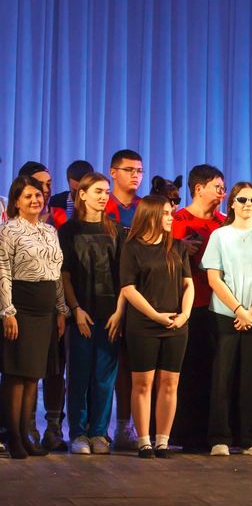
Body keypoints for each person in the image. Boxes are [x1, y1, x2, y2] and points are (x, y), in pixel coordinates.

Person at [202, 182, 252, 456]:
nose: (248, 204)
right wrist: (239, 310)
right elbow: (214, 278)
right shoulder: (219, 236)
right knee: (222, 377)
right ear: (232, 203)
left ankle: (250, 439)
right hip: (225, 314)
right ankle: (219, 437)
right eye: (243, 199)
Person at [120, 196, 194, 458]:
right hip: (143, 324)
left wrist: (185, 315)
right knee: (143, 383)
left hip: (175, 324)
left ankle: (162, 440)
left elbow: (188, 284)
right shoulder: (132, 248)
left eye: (170, 213)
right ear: (150, 215)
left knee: (170, 382)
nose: (170, 217)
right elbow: (128, 288)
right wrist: (155, 315)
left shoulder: (177, 247)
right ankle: (144, 441)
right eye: (165, 213)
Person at [0, 176, 68, 459]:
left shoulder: (50, 230)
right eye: (28, 196)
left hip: (45, 310)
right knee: (16, 374)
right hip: (21, 307)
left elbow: (56, 273)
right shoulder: (9, 230)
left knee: (33, 376)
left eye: (38, 195)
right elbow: (3, 271)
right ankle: (13, 437)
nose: (35, 200)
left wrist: (61, 309)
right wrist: (7, 312)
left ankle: (27, 435)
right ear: (16, 201)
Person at [58, 172, 126, 455]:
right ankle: (78, 433)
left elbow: (125, 278)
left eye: (106, 191)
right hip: (81, 313)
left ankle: (99, 432)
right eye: (98, 191)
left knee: (104, 377)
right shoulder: (68, 231)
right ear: (82, 194)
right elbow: (65, 274)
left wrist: (119, 313)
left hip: (110, 314)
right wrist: (75, 309)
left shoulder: (116, 230)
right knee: (79, 375)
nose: (103, 196)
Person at [169, 164, 226, 451]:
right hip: (187, 306)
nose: (222, 193)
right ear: (198, 188)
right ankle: (183, 433)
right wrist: (179, 247)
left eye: (224, 188)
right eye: (217, 187)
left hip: (220, 306)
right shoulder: (177, 221)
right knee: (187, 372)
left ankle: (213, 433)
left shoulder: (225, 223)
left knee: (215, 373)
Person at [107, 149, 145, 450]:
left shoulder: (145, 209)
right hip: (104, 293)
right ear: (113, 172)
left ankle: (125, 427)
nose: (135, 175)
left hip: (138, 295)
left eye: (139, 171)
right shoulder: (101, 205)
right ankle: (90, 428)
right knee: (100, 366)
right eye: (129, 169)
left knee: (131, 365)